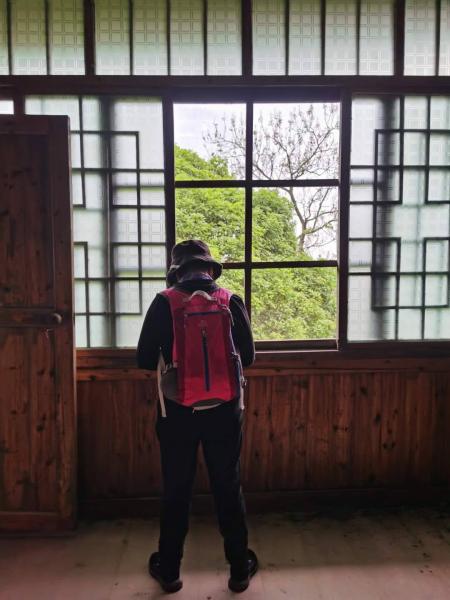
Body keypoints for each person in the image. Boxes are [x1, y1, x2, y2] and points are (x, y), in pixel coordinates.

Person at [136, 239, 258, 594]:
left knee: (177, 488)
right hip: (225, 410)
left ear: (177, 270)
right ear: (209, 269)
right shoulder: (230, 300)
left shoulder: (164, 302)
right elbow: (249, 356)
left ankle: (170, 571)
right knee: (228, 486)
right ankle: (239, 571)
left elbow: (144, 358)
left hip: (177, 412)